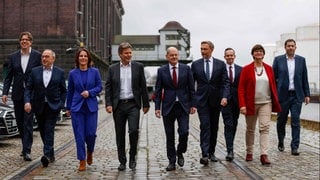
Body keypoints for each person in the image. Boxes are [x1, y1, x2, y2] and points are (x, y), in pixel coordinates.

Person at [105, 42, 150, 171]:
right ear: (120, 54)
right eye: (126, 53)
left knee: (133, 130)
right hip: (118, 105)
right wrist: (108, 104)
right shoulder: (112, 69)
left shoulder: (138, 67)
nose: (129, 55)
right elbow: (108, 87)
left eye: (130, 52)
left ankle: (132, 157)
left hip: (133, 104)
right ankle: (122, 161)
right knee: (120, 134)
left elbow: (143, 86)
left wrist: (146, 104)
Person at [238, 44, 281, 165]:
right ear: (252, 54)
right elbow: (241, 89)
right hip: (251, 103)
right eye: (256, 51)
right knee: (250, 129)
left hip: (266, 103)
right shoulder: (246, 69)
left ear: (263, 54)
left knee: (265, 128)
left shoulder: (269, 68)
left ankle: (264, 154)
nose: (258, 53)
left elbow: (273, 85)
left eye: (260, 51)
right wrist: (242, 105)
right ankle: (249, 152)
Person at [154, 47, 196, 171]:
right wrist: (157, 107)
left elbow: (191, 88)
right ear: (167, 56)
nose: (174, 57)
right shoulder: (161, 70)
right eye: (171, 55)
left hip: (183, 106)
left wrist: (193, 104)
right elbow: (157, 90)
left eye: (176, 55)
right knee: (169, 136)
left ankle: (180, 151)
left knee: (184, 132)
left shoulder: (186, 69)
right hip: (168, 107)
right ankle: (171, 161)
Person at [2, 32, 42, 161]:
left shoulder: (37, 56)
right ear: (20, 42)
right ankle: (24, 146)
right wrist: (4, 93)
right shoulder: (13, 57)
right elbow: (8, 77)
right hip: (18, 94)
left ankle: (27, 150)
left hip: (31, 95)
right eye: (22, 40)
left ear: (31, 42)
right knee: (19, 121)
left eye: (26, 40)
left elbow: (40, 75)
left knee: (28, 122)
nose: (24, 42)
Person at [24, 49, 67, 167]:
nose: (44, 59)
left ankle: (46, 155)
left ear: (53, 59)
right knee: (43, 130)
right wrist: (27, 102)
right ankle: (51, 153)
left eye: (47, 57)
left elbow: (64, 91)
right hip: (38, 106)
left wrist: (61, 104)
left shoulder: (60, 72)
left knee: (49, 129)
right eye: (43, 57)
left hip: (53, 107)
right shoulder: (34, 72)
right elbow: (28, 88)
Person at [191, 41, 229, 165]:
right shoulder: (195, 65)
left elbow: (225, 83)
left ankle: (212, 152)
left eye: (205, 49)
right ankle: (205, 154)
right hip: (201, 101)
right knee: (205, 125)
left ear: (211, 49)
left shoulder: (220, 64)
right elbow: (191, 85)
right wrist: (193, 101)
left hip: (216, 100)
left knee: (214, 127)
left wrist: (224, 97)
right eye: (201, 49)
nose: (202, 51)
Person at [65, 48, 102, 171]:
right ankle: (82, 160)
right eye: (80, 56)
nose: (83, 58)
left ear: (88, 58)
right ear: (77, 58)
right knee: (79, 135)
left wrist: (90, 92)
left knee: (90, 134)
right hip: (77, 107)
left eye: (85, 56)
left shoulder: (95, 72)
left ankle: (90, 151)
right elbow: (70, 91)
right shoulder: (72, 73)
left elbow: (99, 87)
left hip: (91, 107)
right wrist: (68, 107)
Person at [272, 39, 310, 156]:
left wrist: (307, 94)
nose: (290, 48)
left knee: (295, 121)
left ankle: (295, 146)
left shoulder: (301, 60)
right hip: (283, 96)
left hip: (297, 95)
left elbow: (304, 78)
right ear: (285, 47)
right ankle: (281, 141)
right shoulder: (278, 60)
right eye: (288, 46)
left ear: (295, 47)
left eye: (292, 46)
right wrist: (275, 93)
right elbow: (273, 78)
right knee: (281, 121)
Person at [221, 48, 242, 161]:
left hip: (237, 101)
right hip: (225, 101)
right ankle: (230, 150)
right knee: (228, 124)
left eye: (231, 55)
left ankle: (231, 145)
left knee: (234, 124)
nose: (229, 57)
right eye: (227, 55)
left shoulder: (240, 69)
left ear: (234, 56)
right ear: (224, 57)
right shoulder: (221, 69)